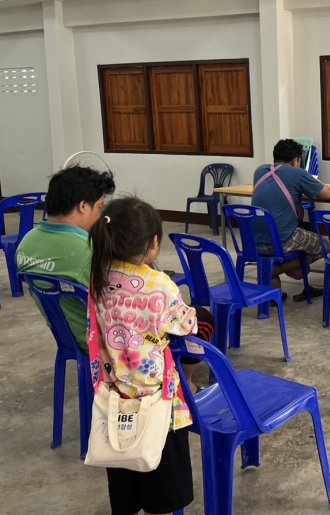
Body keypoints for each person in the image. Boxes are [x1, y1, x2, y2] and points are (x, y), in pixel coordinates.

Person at [88, 197, 207, 515]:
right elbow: (186, 325)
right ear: (153, 244)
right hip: (159, 407)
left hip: (115, 401)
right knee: (162, 499)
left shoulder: (98, 277)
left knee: (125, 492)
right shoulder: (161, 285)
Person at [17, 165, 116, 353]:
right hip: (100, 343)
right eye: (99, 207)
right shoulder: (90, 250)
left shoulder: (25, 243)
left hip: (64, 337)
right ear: (83, 206)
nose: (99, 216)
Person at [252, 139, 330, 300]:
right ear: (296, 160)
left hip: (254, 240)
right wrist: (313, 180)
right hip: (282, 240)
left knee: (290, 240)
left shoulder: (259, 171)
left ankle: (274, 295)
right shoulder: (298, 173)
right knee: (325, 244)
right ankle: (275, 270)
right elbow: (326, 194)